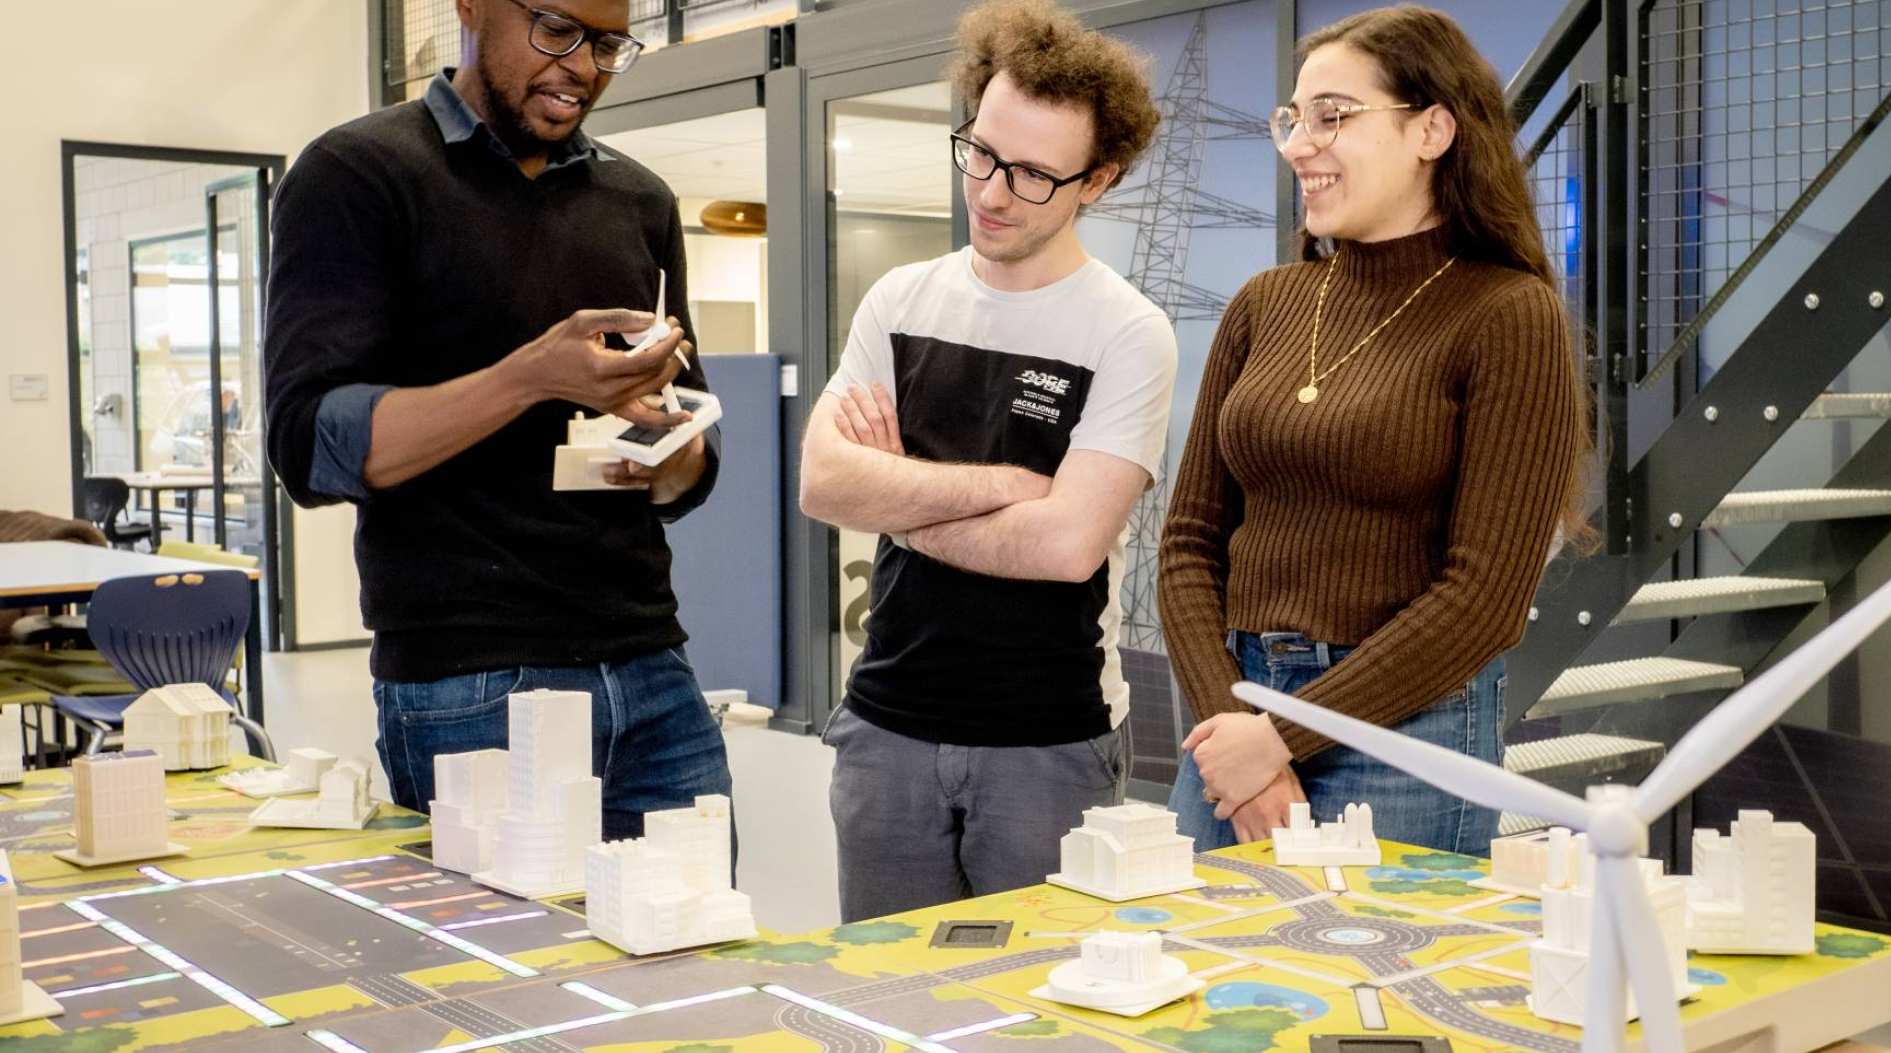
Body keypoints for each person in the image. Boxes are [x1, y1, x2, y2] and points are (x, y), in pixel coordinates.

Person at [264, 0, 732, 841]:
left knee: (695, 961)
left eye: (608, 44)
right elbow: (310, 446)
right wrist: (530, 379)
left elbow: (687, 473)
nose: (583, 66)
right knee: (499, 973)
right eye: (556, 29)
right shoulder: (358, 175)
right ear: (471, 7)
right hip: (468, 682)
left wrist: (665, 450)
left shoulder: (640, 201)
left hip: (652, 666)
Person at [1159, 5, 1589, 856]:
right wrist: (1233, 722)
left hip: (1408, 732)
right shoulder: (1265, 303)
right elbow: (1187, 543)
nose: (1297, 145)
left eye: (1332, 116)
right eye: (1292, 118)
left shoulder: (1507, 313)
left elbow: (1484, 600)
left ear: (1432, 128)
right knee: (1215, 983)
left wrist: (1281, 737)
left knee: (1378, 986)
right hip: (1236, 710)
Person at [798, 0, 1173, 921]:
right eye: (981, 151)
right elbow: (822, 482)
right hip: (887, 725)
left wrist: (894, 495)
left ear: (1099, 179)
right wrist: (1001, 490)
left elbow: (1063, 549)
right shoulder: (900, 297)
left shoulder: (1127, 330)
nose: (994, 192)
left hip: (1045, 743)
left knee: (1039, 1010)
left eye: (1036, 175)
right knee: (891, 1006)